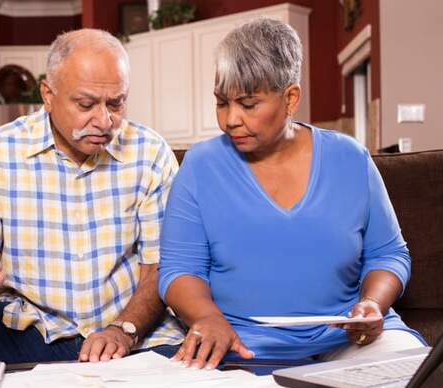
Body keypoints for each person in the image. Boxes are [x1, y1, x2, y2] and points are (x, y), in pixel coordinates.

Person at [0, 28, 185, 378]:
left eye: (116, 103)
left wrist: (124, 330)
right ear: (48, 94)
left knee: (189, 366)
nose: (105, 121)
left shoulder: (150, 153)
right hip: (28, 333)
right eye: (86, 104)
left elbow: (159, 269)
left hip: (131, 336)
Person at [158, 18, 425, 370]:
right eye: (222, 102)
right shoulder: (200, 166)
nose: (230, 119)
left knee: (416, 376)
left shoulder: (350, 158)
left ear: (290, 98)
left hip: (348, 337)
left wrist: (373, 304)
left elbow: (388, 253)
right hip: (244, 342)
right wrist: (208, 318)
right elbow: (179, 271)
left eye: (248, 103)